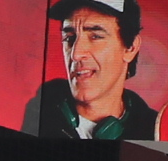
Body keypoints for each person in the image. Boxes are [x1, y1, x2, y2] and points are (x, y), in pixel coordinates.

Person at [23, 0, 158, 137]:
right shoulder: (41, 111)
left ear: (131, 48)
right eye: (69, 38)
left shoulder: (154, 133)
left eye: (95, 37)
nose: (76, 55)